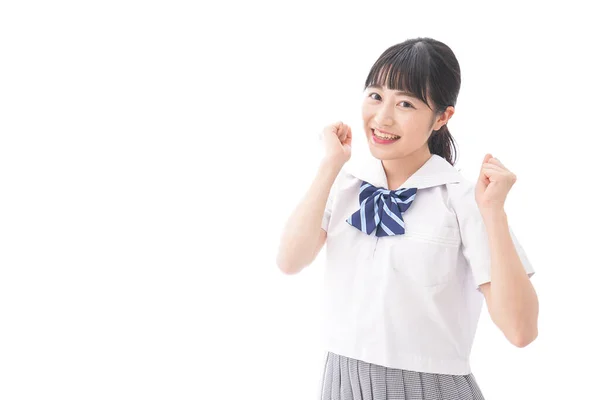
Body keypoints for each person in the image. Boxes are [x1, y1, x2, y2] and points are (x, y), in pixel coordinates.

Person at [276, 37, 539, 400]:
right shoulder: (344, 184)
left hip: (429, 389)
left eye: (405, 103)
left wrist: (494, 213)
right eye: (375, 96)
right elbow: (289, 261)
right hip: (341, 385)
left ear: (442, 118)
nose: (383, 117)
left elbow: (520, 330)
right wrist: (330, 165)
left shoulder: (465, 200)